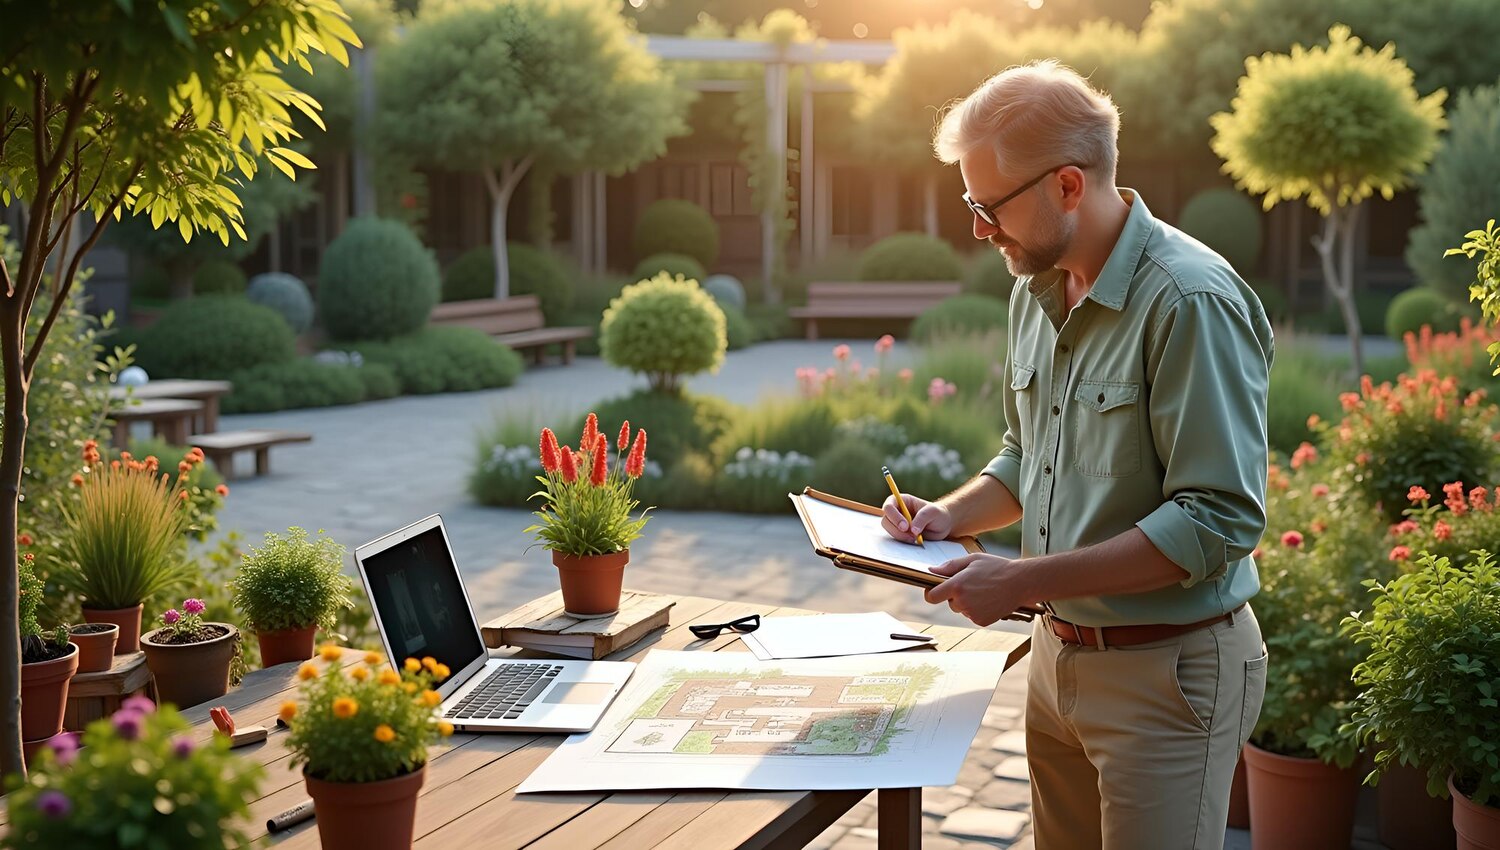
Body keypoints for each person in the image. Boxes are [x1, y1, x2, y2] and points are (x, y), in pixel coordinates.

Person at [881, 60, 1272, 850]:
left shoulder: (1191, 301)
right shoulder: (1038, 288)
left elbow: (1216, 522)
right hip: (1055, 665)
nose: (979, 229)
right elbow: (1027, 457)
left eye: (988, 207)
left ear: (1067, 186)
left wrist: (1020, 580)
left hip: (1167, 678)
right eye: (971, 203)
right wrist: (949, 514)